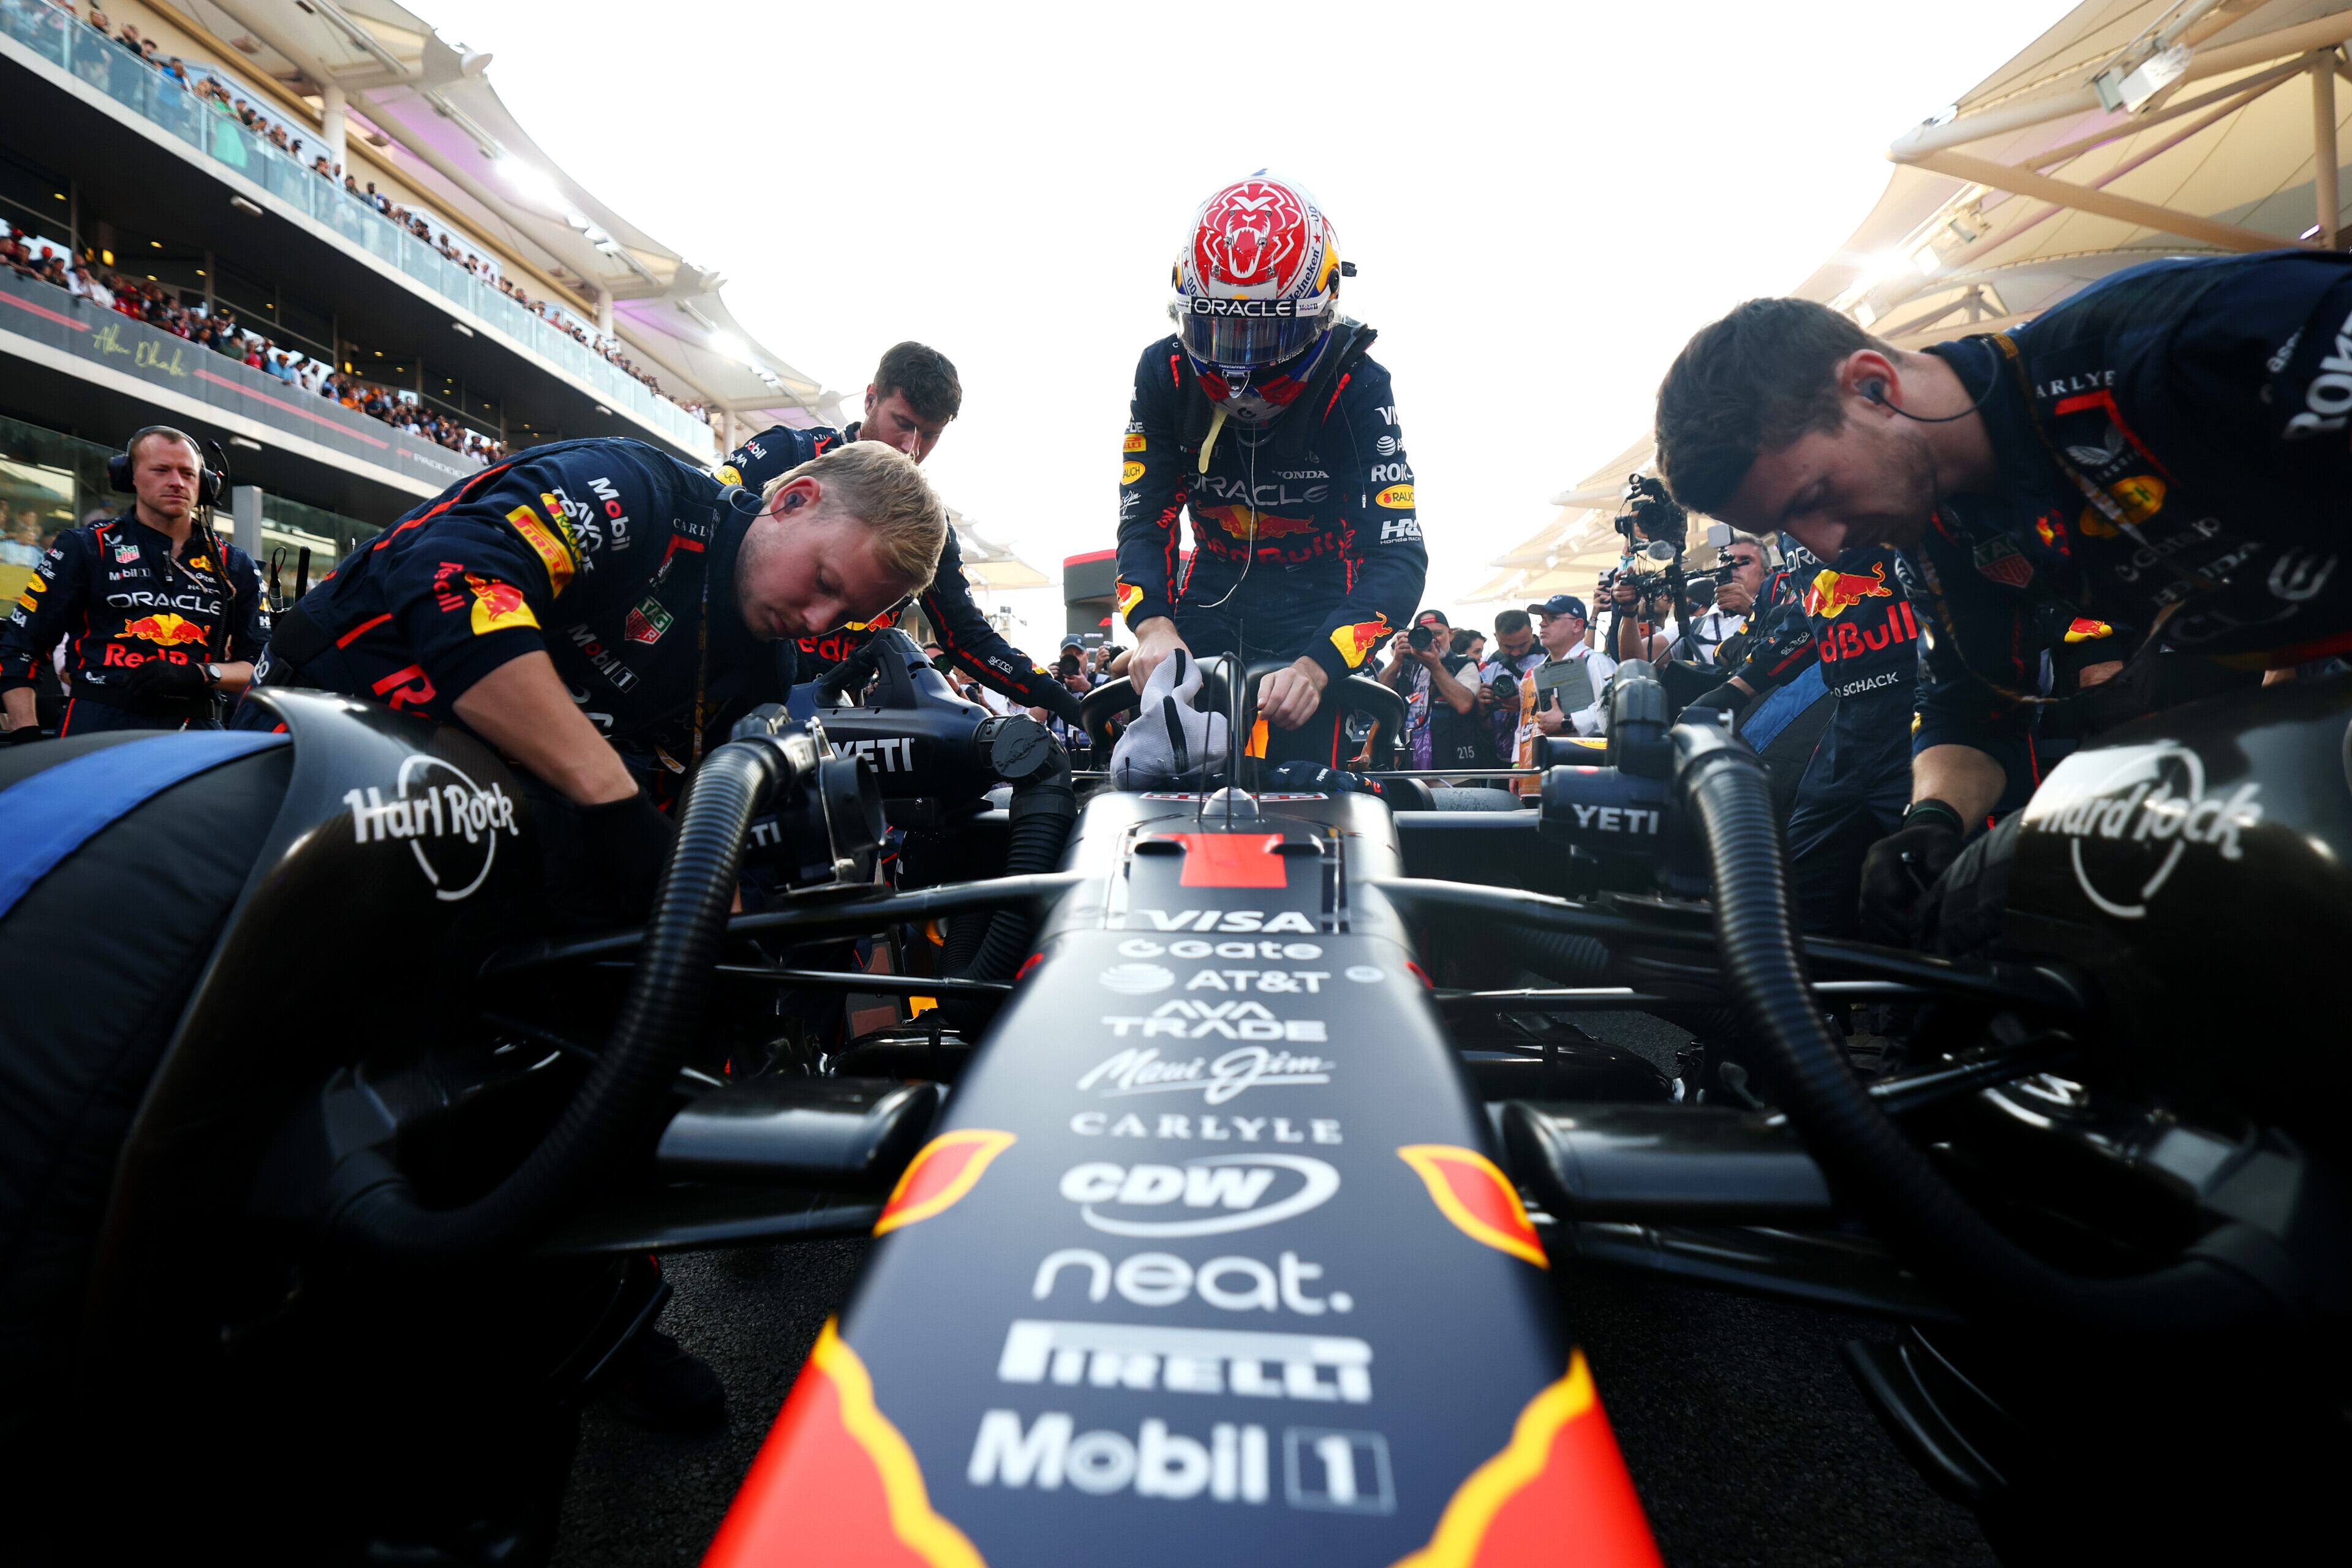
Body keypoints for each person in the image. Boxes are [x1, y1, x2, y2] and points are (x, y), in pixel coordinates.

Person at [1656, 249, 2352, 939]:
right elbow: (1973, 702)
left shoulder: (2176, 339)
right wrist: (1931, 822)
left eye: (1815, 497)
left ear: (1874, 387)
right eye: (1787, 527)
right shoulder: (1940, 533)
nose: (1831, 546)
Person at [249, 435, 944, 922]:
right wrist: (613, 798)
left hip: (468, 834)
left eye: (846, 613)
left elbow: (692, 825)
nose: (820, 620)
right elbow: (455, 582)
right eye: (824, 581)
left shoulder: (763, 666)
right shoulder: (633, 492)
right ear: (792, 500)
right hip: (306, 756)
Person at [1115, 173, 1428, 767]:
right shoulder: (1165, 371)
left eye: (1264, 331)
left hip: (1320, 604)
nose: (1239, 362)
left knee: (1310, 792)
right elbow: (1144, 518)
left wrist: (1319, 666)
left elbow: (1398, 555)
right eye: (1219, 329)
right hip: (1208, 596)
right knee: (1163, 775)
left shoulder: (1356, 383)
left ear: (1321, 310)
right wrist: (1153, 626)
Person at [713, 342, 1082, 726]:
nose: (912, 447)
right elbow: (705, 526)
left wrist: (1071, 705)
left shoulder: (926, 529)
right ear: (871, 399)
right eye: (904, 424)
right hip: (728, 695)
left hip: (827, 720)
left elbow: (968, 639)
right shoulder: (787, 453)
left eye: (931, 434)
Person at [1, 427, 266, 739]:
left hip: (197, 734)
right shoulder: (85, 547)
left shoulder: (235, 566)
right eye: (161, 470)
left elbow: (262, 666)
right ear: (131, 476)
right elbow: (21, 647)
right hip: (97, 727)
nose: (177, 482)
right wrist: (25, 731)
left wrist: (201, 673)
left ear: (204, 484)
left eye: (187, 473)